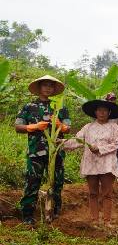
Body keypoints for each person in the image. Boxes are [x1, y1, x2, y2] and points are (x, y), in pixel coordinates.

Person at [15, 75, 71, 224]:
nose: (48, 88)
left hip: (56, 152)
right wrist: (33, 126)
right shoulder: (29, 107)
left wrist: (59, 124)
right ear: (39, 88)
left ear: (53, 89)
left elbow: (68, 129)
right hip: (36, 151)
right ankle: (27, 215)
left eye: (50, 86)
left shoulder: (60, 108)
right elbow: (17, 127)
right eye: (45, 85)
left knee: (57, 183)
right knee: (32, 182)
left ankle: (54, 211)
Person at [63, 99, 118, 227]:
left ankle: (107, 221)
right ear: (95, 112)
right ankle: (94, 220)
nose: (102, 113)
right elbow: (77, 140)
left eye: (105, 110)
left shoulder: (114, 127)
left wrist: (99, 149)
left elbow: (116, 144)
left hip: (107, 163)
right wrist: (61, 143)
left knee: (107, 193)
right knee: (93, 193)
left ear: (109, 112)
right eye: (99, 110)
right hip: (91, 164)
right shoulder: (88, 127)